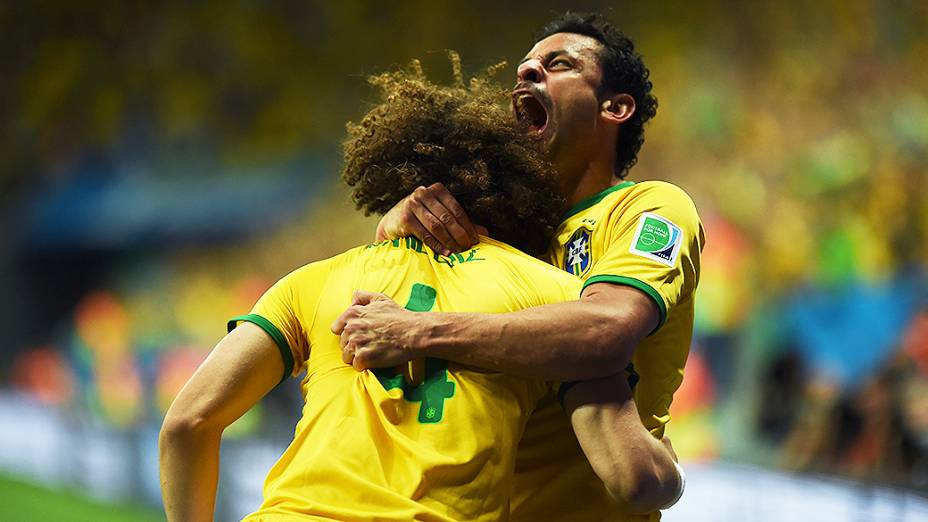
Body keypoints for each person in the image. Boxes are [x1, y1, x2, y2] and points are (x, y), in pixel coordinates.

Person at [159, 61, 681, 522]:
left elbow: (187, 422)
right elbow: (632, 480)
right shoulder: (555, 299)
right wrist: (669, 467)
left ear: (402, 182)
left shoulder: (317, 280)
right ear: (526, 194)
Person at [334, 12, 705, 521]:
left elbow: (608, 329)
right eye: (525, 68)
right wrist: (391, 232)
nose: (529, 73)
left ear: (615, 107)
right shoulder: (492, 233)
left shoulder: (650, 208)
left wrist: (420, 333)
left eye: (558, 65)